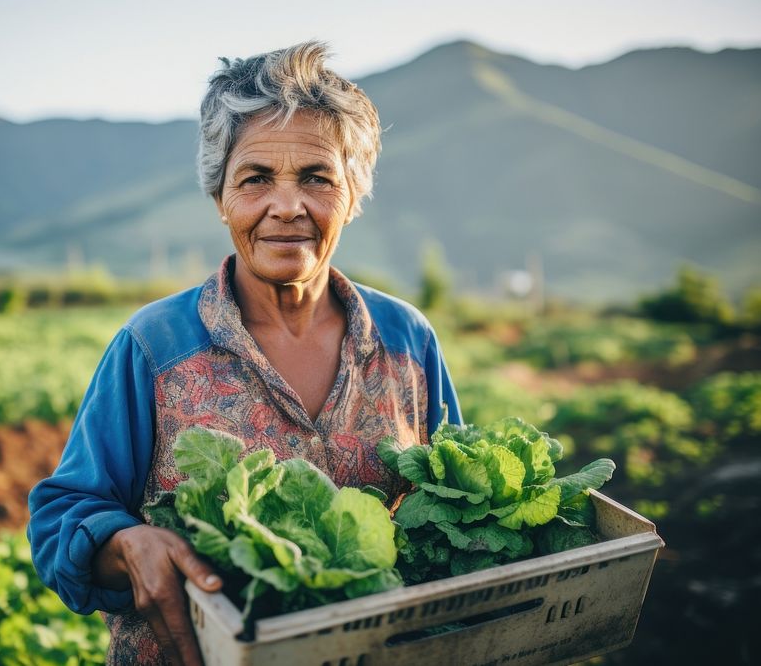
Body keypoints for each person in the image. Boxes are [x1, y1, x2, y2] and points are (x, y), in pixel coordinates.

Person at [27, 41, 461, 666]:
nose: (286, 207)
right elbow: (62, 518)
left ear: (354, 193)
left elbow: (451, 506)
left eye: (317, 177)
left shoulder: (407, 342)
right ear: (220, 197)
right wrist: (126, 545)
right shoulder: (153, 347)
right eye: (256, 179)